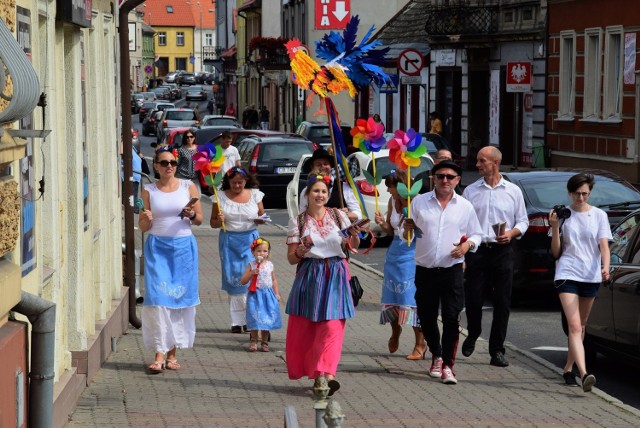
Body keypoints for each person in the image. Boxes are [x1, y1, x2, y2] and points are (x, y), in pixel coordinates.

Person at [403, 161, 482, 385]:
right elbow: (405, 234)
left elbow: (477, 234)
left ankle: (447, 364)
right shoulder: (419, 202)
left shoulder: (465, 206)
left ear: (458, 179)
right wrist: (405, 229)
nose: (445, 180)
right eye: (440, 176)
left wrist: (467, 246)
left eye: (450, 177)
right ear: (433, 178)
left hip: (452, 269)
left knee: (450, 317)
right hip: (425, 269)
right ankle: (436, 354)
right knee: (426, 317)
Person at [286, 170, 362, 396]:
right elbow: (291, 259)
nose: (320, 195)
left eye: (323, 191)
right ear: (307, 194)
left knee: (332, 326)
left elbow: (352, 245)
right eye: (315, 191)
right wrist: (300, 251)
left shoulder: (339, 216)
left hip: (337, 272)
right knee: (310, 327)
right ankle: (317, 374)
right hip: (311, 274)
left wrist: (354, 235)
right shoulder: (298, 221)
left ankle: (327, 375)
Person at [461, 146, 529, 368]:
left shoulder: (512, 191)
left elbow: (523, 221)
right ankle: (473, 332)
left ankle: (497, 350)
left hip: (502, 251)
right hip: (477, 250)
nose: (478, 165)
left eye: (482, 161)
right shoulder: (471, 191)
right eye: (478, 161)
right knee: (473, 298)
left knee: (502, 301)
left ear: (495, 163)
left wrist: (511, 233)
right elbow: (462, 223)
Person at [138, 144, 203, 373]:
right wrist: (146, 217)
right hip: (158, 248)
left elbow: (199, 220)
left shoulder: (188, 186)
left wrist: (191, 213)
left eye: (172, 163)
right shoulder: (149, 190)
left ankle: (172, 353)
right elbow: (142, 225)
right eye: (164, 163)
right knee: (157, 299)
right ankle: (158, 352)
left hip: (184, 248)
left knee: (178, 301)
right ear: (155, 165)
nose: (169, 166)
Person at [549, 173, 611, 392]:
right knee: (574, 326)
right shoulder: (563, 215)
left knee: (581, 326)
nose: (581, 198)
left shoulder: (599, 216)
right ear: (569, 192)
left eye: (585, 194)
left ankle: (568, 368)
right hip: (567, 273)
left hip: (590, 275)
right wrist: (555, 227)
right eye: (577, 193)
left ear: (590, 193)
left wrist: (605, 266)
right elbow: (556, 252)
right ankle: (584, 374)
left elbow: (604, 246)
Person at [374, 169, 426, 360]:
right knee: (392, 295)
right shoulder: (392, 202)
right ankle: (395, 331)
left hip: (412, 252)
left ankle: (420, 343)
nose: (389, 191)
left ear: (402, 186)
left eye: (391, 187)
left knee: (409, 297)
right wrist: (381, 223)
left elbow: (426, 229)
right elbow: (390, 229)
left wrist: (414, 228)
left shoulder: (417, 201)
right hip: (394, 251)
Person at [210, 167, 267, 333]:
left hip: (251, 241)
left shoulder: (255, 194)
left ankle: (249, 320)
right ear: (228, 181)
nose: (237, 185)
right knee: (234, 278)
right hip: (229, 240)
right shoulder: (219, 197)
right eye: (233, 182)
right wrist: (218, 219)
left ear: (246, 181)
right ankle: (237, 322)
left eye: (240, 182)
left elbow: (263, 217)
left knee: (250, 278)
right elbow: (213, 223)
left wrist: (260, 219)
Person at [239, 237, 282, 352]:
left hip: (267, 295)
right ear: (253, 252)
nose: (262, 253)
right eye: (258, 251)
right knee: (255, 318)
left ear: (268, 253)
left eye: (265, 251)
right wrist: (251, 273)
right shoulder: (251, 265)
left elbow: (273, 280)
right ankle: (253, 341)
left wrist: (276, 293)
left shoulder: (270, 265)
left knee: (266, 318)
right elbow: (243, 280)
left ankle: (265, 341)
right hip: (255, 295)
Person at [298, 148, 362, 222]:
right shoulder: (306, 190)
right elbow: (302, 217)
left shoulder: (343, 187)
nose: (322, 167)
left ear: (330, 166)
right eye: (318, 164)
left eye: (325, 164)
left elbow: (358, 214)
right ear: (312, 167)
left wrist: (346, 214)